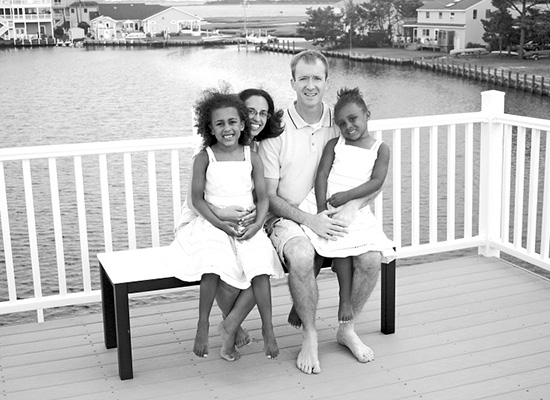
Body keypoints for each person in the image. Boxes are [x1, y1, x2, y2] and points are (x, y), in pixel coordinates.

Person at [258, 50, 384, 374]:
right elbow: (269, 196)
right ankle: (310, 337)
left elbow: (372, 177)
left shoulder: (342, 118)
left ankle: (347, 329)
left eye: (317, 78)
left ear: (326, 81)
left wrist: (351, 209)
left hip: (333, 210)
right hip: (287, 217)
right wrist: (310, 220)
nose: (310, 85)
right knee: (300, 255)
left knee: (370, 259)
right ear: (293, 82)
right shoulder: (275, 129)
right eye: (304, 78)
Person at [168, 91, 284, 361]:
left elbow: (264, 197)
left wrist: (256, 226)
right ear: (209, 128)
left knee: (260, 265)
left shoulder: (251, 156)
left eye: (233, 122)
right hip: (213, 223)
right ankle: (203, 323)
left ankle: (268, 327)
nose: (227, 128)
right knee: (213, 263)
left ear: (242, 124)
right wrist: (220, 222)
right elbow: (197, 199)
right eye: (219, 124)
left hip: (246, 223)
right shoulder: (204, 158)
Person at [298, 87, 396, 324]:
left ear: (367, 115)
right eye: (342, 123)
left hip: (350, 207)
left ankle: (345, 298)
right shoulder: (335, 143)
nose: (348, 126)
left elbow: (376, 181)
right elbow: (321, 176)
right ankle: (300, 303)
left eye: (353, 119)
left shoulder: (379, 149)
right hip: (322, 202)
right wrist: (321, 209)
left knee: (343, 242)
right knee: (315, 242)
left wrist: (347, 198)